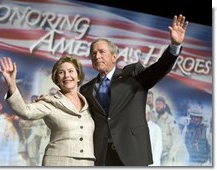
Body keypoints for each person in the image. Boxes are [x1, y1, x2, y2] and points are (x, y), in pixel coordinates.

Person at [80, 14, 188, 166]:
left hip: (132, 152)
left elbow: (158, 69)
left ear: (114, 57)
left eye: (101, 52)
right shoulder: (85, 89)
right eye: (93, 53)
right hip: (102, 155)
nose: (97, 56)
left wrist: (174, 47)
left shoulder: (132, 74)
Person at [0, 56, 95, 166]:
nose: (67, 75)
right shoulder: (50, 102)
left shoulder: (90, 103)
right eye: (61, 72)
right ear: (57, 80)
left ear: (78, 76)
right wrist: (11, 83)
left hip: (87, 163)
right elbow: (25, 112)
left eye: (70, 71)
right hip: (58, 162)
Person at [155, 96, 188, 166]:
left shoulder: (170, 120)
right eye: (156, 104)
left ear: (164, 105)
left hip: (167, 157)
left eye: (160, 104)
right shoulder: (156, 120)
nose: (158, 106)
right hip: (157, 155)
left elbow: (178, 139)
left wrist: (170, 154)